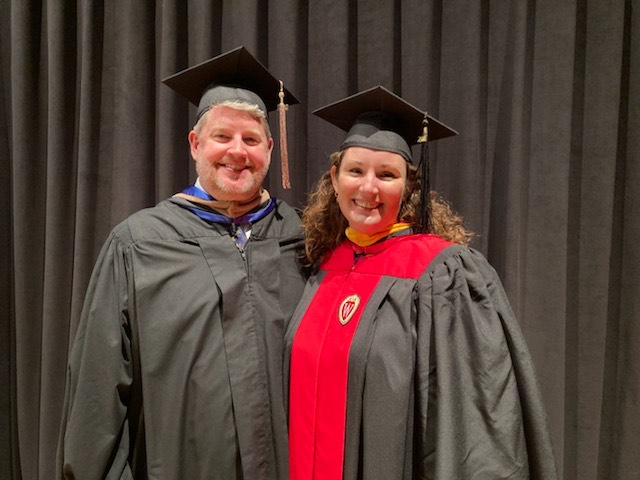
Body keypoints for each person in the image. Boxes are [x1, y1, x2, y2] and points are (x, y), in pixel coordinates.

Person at [56, 47, 306, 479]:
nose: (237, 151)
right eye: (222, 137)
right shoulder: (139, 243)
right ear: (195, 144)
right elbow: (98, 392)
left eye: (250, 140)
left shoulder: (302, 239)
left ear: (269, 147)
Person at [285, 86, 558, 479]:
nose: (368, 188)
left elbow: (471, 421)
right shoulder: (319, 262)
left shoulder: (442, 275)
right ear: (335, 177)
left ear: (409, 187)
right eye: (356, 170)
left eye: (387, 175)